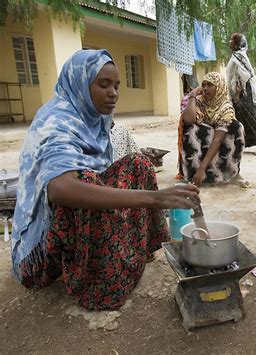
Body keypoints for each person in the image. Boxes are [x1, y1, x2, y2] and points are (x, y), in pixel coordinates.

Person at [10, 49, 200, 311]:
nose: (113, 93)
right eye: (103, 84)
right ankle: (99, 286)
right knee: (88, 183)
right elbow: (60, 189)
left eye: (117, 86)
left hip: (69, 226)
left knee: (139, 164)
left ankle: (137, 252)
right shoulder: (56, 120)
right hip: (42, 254)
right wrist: (155, 198)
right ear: (79, 83)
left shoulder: (95, 120)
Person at [178, 72, 249, 188]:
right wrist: (192, 95)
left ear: (219, 87)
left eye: (210, 85)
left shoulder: (226, 108)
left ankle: (232, 173)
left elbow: (217, 140)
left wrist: (202, 169)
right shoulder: (200, 101)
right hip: (210, 137)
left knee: (238, 127)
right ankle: (192, 174)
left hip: (220, 140)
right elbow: (188, 120)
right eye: (203, 85)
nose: (205, 88)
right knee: (190, 129)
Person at [226, 32, 256, 155]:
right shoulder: (237, 56)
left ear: (237, 43)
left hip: (245, 92)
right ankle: (240, 144)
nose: (229, 42)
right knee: (240, 118)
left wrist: (239, 91)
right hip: (240, 92)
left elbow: (244, 75)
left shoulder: (239, 57)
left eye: (231, 40)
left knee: (251, 117)